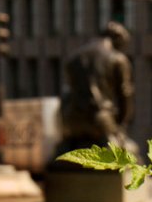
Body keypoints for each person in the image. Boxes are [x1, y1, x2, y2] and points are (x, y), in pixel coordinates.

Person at [58, 22, 138, 156]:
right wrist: (121, 124)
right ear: (118, 41)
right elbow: (125, 94)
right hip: (99, 121)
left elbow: (68, 92)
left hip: (71, 120)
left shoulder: (74, 58)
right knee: (127, 153)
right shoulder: (117, 59)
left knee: (69, 153)